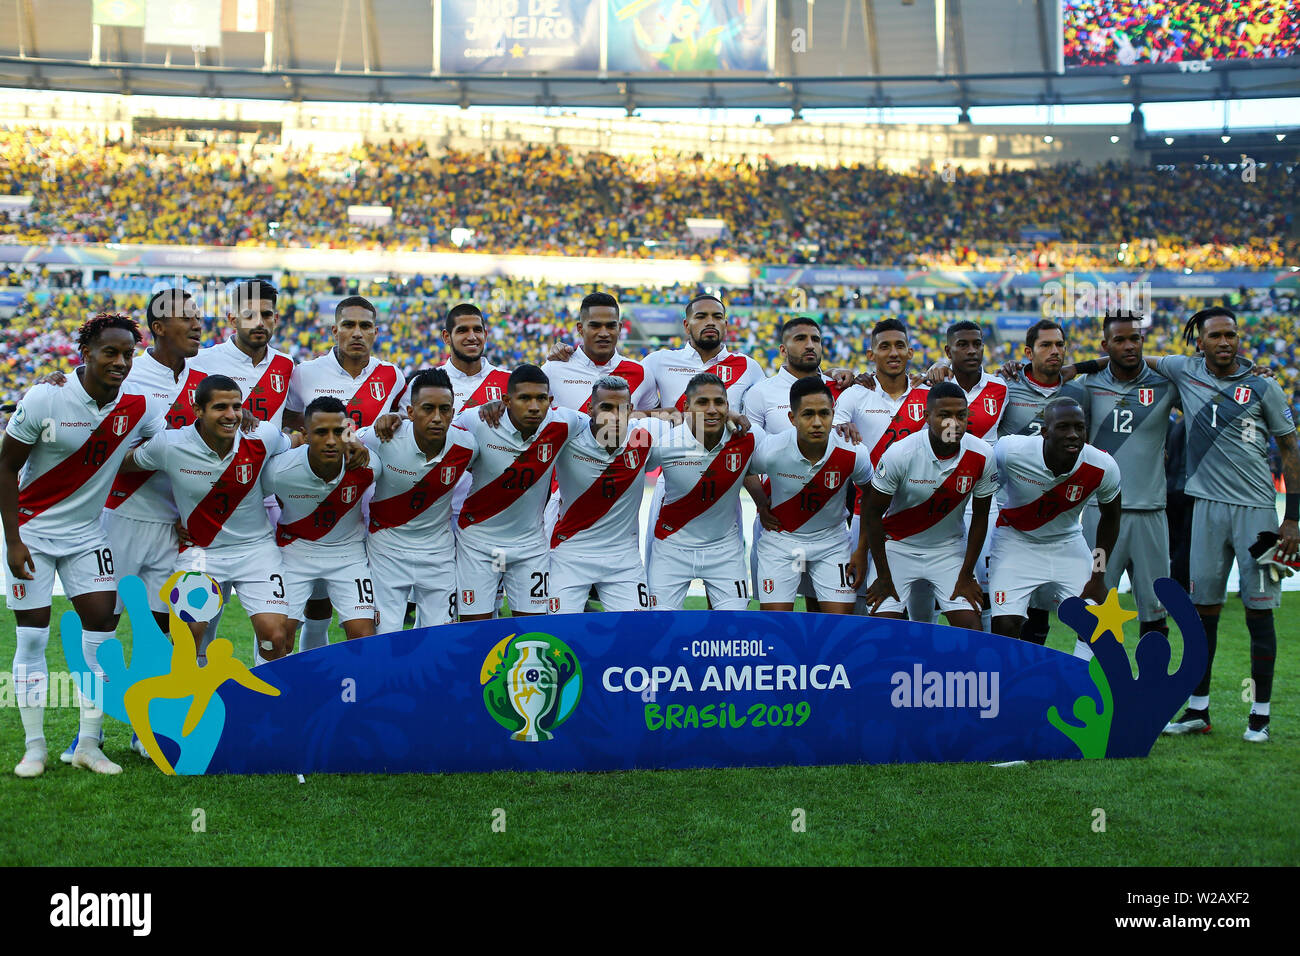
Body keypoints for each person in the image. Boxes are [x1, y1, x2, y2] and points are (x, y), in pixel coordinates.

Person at [2, 313, 162, 777]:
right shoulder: (45, 396)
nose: (120, 362)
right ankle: (34, 748)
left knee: (102, 635)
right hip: (32, 534)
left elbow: (178, 443)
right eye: (110, 352)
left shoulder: (138, 405)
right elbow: (5, 467)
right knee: (33, 637)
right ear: (86, 353)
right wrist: (12, 540)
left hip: (88, 536)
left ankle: (89, 744)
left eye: (128, 354)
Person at [1155, 308, 1299, 743]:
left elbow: (1290, 449)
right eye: (1215, 335)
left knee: (1259, 610)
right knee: (1204, 612)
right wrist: (1073, 368)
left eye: (1231, 335)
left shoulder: (1263, 385)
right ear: (1199, 343)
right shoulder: (1184, 371)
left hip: (1257, 513)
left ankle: (1260, 715)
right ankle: (1198, 710)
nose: (1225, 342)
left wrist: (1292, 518)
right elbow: (1127, 359)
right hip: (1205, 510)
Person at [120, 375, 297, 665]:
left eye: (237, 406)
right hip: (200, 552)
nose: (231, 415)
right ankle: (197, 691)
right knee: (187, 637)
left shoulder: (262, 435)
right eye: (220, 407)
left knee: (275, 637)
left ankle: (267, 695)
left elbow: (297, 443)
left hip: (256, 550)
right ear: (198, 410)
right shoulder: (169, 444)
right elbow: (121, 463)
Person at [282, 295, 404, 651]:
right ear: (334, 331)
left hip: (368, 501)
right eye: (348, 325)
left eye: (365, 326)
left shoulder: (392, 375)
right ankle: (312, 670)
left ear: (376, 332)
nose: (357, 333)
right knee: (315, 601)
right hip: (316, 498)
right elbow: (292, 422)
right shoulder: (304, 373)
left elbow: (401, 423)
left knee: (363, 608)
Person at [1070, 313, 1178, 641]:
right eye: (1120, 340)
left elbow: (1209, 378)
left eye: (1135, 338)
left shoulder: (1166, 384)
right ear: (1106, 346)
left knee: (1156, 615)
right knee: (1094, 611)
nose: (1129, 346)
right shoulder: (1088, 385)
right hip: (1101, 516)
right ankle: (1093, 676)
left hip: (1151, 514)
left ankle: (1151, 677)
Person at [857, 382, 996, 632]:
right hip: (898, 547)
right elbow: (873, 514)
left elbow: (980, 516)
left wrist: (966, 574)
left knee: (972, 629)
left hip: (948, 549)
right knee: (883, 630)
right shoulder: (901, 453)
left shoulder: (983, 454)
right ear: (927, 416)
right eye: (944, 415)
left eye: (961, 415)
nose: (954, 423)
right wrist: (883, 576)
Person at [453, 364, 586, 621]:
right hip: (479, 545)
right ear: (506, 400)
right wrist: (397, 420)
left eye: (541, 399)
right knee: (475, 630)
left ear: (550, 401)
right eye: (524, 398)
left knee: (532, 629)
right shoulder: (477, 420)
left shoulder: (564, 423)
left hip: (529, 548)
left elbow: (607, 423)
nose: (534, 406)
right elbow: (431, 433)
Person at [988, 397, 1121, 650]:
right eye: (1063, 427)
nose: (1073, 434)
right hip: (1015, 540)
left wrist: (1098, 574)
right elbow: (984, 488)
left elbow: (1111, 518)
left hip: (1067, 542)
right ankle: (1009, 677)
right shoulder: (1010, 451)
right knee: (1005, 624)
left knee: (1097, 622)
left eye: (1079, 427)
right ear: (1045, 432)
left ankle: (1082, 675)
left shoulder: (1103, 466)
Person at [742, 316, 856, 611]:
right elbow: (747, 453)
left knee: (824, 611)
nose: (810, 345)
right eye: (800, 339)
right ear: (783, 349)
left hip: (829, 523)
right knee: (779, 615)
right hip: (779, 522)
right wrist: (761, 503)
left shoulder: (844, 387)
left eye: (815, 339)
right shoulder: (761, 392)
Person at [358, 369, 477, 631]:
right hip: (386, 551)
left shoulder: (467, 446)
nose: (437, 418)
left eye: (444, 410)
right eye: (428, 409)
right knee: (384, 635)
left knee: (440, 636)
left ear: (453, 412)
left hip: (439, 553)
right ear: (411, 412)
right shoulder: (383, 436)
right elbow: (345, 440)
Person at [833, 318, 931, 616]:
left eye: (900, 346)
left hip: (916, 512)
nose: (893, 352)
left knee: (920, 609)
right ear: (871, 354)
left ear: (910, 352)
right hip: (864, 511)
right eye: (884, 346)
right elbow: (833, 436)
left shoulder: (929, 395)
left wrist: (941, 367)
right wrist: (841, 429)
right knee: (858, 599)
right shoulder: (854, 394)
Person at [549, 376, 672, 613]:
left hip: (623, 558)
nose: (615, 416)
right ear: (589, 409)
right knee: (559, 630)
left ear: (631, 410)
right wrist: (497, 408)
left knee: (637, 630)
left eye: (622, 409)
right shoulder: (569, 432)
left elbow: (696, 423)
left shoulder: (646, 435)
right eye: (606, 407)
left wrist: (730, 416)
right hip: (570, 553)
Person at [263, 397, 377, 647]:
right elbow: (246, 498)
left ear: (348, 433)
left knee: (365, 639)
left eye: (338, 432)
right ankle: (267, 675)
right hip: (294, 552)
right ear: (304, 435)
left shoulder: (368, 466)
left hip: (348, 554)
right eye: (321, 432)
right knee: (276, 637)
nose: (331, 441)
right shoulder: (278, 470)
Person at [752, 376, 872, 614]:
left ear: (833, 414)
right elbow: (746, 471)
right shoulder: (772, 449)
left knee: (838, 625)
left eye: (824, 414)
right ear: (792, 418)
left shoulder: (854, 451)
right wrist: (761, 503)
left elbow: (871, 495)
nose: (817, 422)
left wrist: (861, 549)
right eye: (808, 414)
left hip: (832, 542)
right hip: (781, 541)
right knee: (776, 623)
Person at [648, 373, 766, 610]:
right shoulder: (665, 441)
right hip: (671, 548)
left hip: (724, 550)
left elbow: (774, 460)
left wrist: (763, 504)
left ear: (728, 406)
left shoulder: (748, 437)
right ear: (686, 407)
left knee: (733, 624)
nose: (712, 409)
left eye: (719, 402)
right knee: (658, 624)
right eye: (702, 402)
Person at [540, 292, 656, 412]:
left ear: (619, 328)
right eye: (595, 326)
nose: (604, 333)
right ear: (580, 328)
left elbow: (653, 420)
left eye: (611, 326)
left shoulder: (641, 374)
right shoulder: (552, 370)